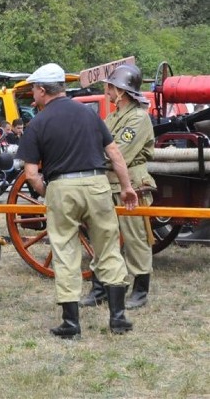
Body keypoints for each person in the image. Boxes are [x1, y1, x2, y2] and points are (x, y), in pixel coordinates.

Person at [16, 62, 138, 339]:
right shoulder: (90, 115)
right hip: (97, 185)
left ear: (43, 90)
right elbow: (115, 154)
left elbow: (32, 174)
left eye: (34, 89)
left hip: (62, 187)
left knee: (65, 252)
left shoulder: (38, 122)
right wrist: (127, 186)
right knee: (108, 247)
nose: (32, 94)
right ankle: (118, 318)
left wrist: (49, 192)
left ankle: (71, 325)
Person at [80, 64, 156, 310]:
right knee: (102, 236)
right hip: (107, 184)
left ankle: (140, 290)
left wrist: (91, 157)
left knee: (135, 238)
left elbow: (120, 152)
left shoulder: (138, 118)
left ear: (121, 91)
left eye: (110, 86)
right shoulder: (112, 117)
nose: (106, 91)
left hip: (131, 184)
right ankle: (100, 287)